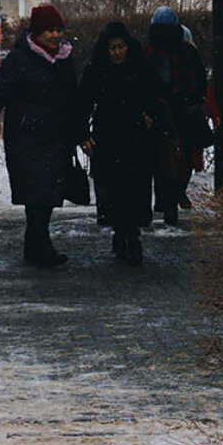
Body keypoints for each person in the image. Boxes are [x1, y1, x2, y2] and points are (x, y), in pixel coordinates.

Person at [0, 3, 82, 268]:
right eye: (49, 31)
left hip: (57, 138)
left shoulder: (65, 60)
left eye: (58, 30)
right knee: (36, 193)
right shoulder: (19, 60)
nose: (55, 36)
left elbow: (74, 99)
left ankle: (34, 245)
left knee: (49, 194)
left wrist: (81, 132)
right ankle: (41, 246)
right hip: (26, 138)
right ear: (37, 34)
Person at [80, 20, 160, 265]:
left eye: (120, 47)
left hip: (134, 136)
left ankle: (130, 234)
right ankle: (123, 232)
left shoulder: (139, 67)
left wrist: (150, 115)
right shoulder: (98, 69)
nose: (116, 52)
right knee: (115, 188)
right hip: (108, 136)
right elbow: (82, 101)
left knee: (132, 187)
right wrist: (83, 134)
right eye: (112, 48)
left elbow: (155, 94)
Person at [145, 5, 209, 226]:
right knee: (180, 162)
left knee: (160, 162)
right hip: (183, 115)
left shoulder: (149, 52)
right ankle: (172, 200)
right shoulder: (187, 52)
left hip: (158, 116)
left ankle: (164, 201)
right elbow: (200, 84)